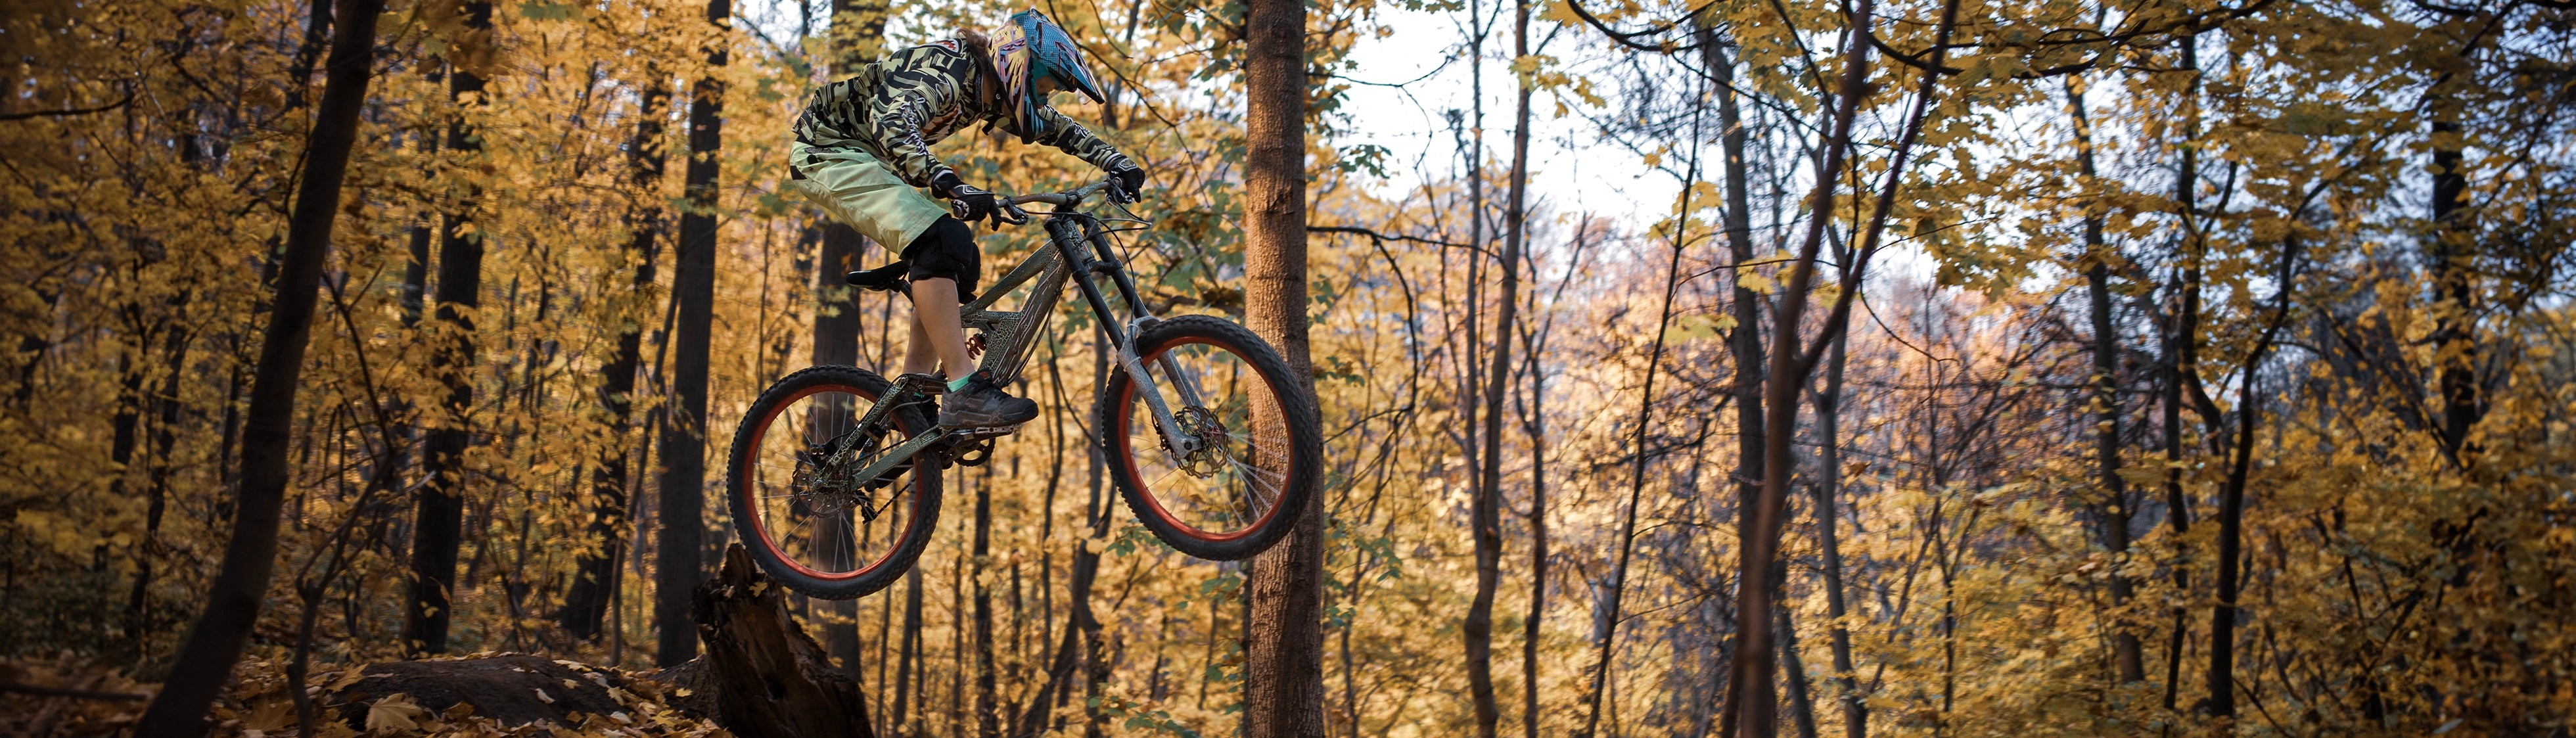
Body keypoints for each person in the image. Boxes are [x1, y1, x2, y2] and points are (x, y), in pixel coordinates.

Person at [787, 9, 1146, 428]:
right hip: (829, 152)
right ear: (1019, 64)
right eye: (1045, 85)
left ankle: (913, 401)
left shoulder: (986, 89)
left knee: (957, 257)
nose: (1044, 97)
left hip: (870, 161)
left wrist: (1116, 162)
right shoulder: (949, 72)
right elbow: (893, 123)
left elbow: (1057, 129)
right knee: (941, 238)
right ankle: (964, 391)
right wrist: (951, 183)